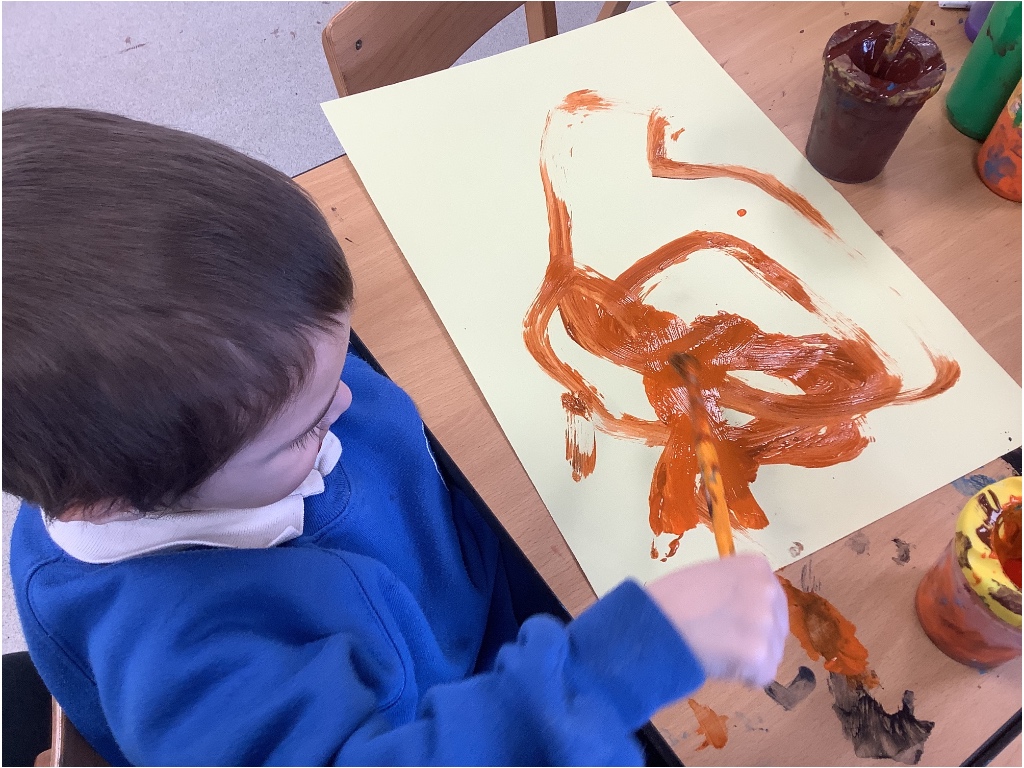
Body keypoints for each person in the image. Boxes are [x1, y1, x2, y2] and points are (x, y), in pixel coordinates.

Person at [3, 107, 788, 767]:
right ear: (113, 497)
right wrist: (610, 673)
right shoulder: (193, 667)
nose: (348, 401)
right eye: (306, 427)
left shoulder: (230, 397)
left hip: (501, 600)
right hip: (481, 719)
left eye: (340, 358)